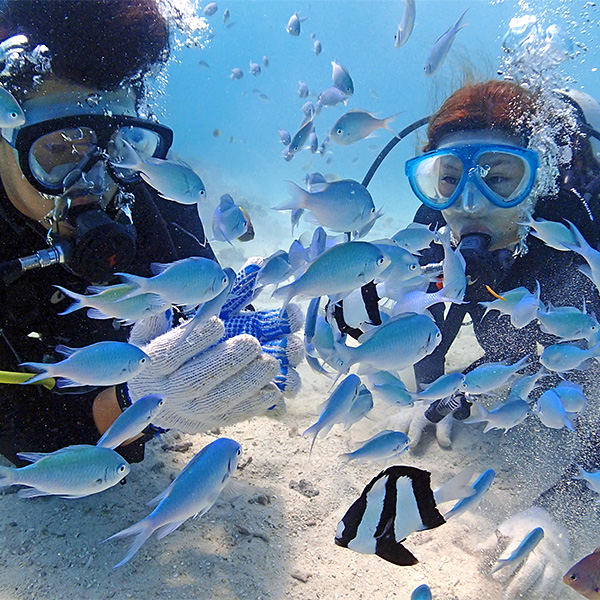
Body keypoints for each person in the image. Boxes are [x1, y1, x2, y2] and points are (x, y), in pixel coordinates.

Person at [0, 0, 300, 468]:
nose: (94, 184)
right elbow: (13, 432)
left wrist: (210, 356)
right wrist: (130, 404)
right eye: (57, 150)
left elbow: (202, 314)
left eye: (117, 148)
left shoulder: (156, 194)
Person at [401, 80, 600, 599]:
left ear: (537, 180)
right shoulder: (434, 225)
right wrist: (432, 395)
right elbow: (429, 319)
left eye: (499, 179)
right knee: (506, 342)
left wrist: (557, 512)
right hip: (519, 336)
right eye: (449, 179)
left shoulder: (581, 234)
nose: (469, 204)